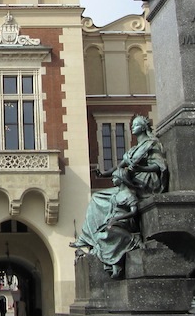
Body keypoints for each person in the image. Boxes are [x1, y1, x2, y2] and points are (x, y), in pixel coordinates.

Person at [71, 115, 168, 277]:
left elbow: (159, 167)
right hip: (131, 180)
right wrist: (103, 174)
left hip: (144, 182)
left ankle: (105, 240)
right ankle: (90, 239)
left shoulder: (151, 144)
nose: (132, 127)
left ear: (143, 127)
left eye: (136, 125)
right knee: (96, 198)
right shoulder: (133, 149)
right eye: (132, 125)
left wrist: (139, 169)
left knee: (106, 199)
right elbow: (119, 166)